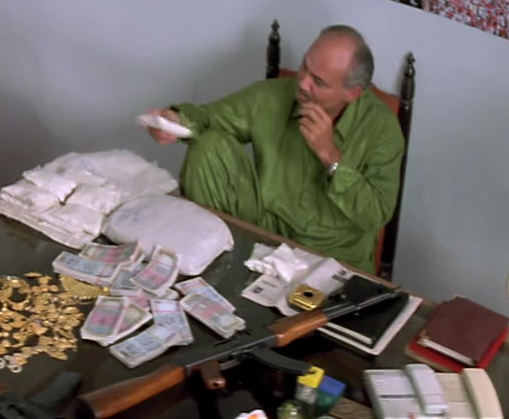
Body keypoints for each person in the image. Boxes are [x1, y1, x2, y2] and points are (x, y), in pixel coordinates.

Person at [144, 25, 404, 272]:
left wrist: (331, 157)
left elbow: (376, 214)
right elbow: (210, 119)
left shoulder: (382, 129)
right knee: (207, 144)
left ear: (353, 93)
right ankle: (213, 262)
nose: (302, 83)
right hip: (263, 228)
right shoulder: (274, 96)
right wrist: (175, 121)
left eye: (318, 82)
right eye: (305, 66)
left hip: (329, 252)